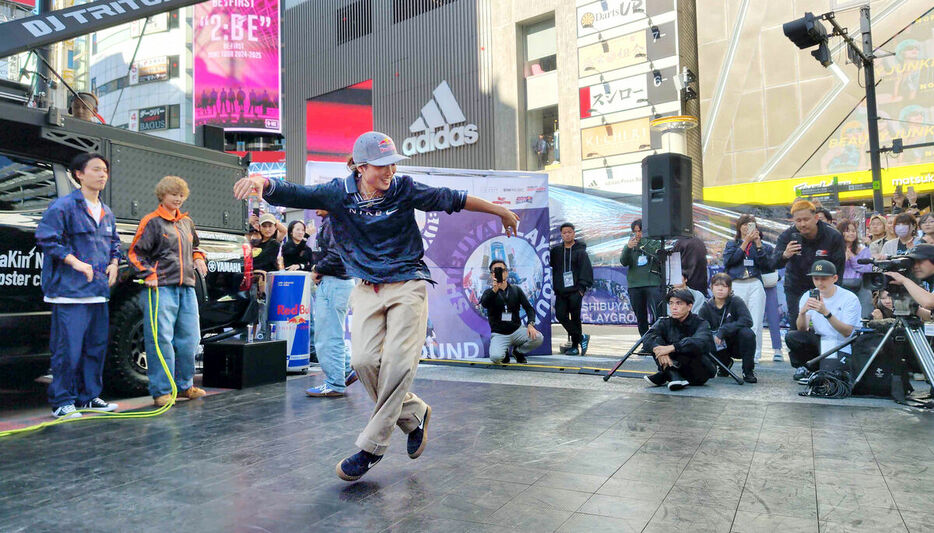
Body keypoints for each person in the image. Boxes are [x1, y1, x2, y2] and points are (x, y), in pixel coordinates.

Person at [232, 131, 519, 482]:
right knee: (364, 361)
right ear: (362, 167)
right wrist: (263, 181)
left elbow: (453, 199)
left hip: (408, 283)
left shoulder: (403, 188)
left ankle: (370, 449)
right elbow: (297, 192)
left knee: (398, 365)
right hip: (368, 288)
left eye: (393, 164)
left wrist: (500, 210)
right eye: (382, 166)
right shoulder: (338, 194)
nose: (390, 171)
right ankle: (414, 414)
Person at [35, 153, 121, 419]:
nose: (102, 174)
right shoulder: (64, 206)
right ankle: (62, 401)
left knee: (95, 348)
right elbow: (47, 239)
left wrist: (115, 263)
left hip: (97, 293)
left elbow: (114, 244)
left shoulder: (106, 212)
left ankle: (89, 396)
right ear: (79, 175)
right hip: (69, 293)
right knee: (67, 350)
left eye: (105, 170)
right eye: (96, 169)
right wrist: (75, 263)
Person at [129, 176, 209, 406]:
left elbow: (195, 247)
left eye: (181, 195)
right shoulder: (151, 221)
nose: (178, 199)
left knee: (190, 338)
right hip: (161, 288)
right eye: (174, 194)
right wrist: (149, 274)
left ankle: (184, 386)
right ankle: (161, 390)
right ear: (162, 195)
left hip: (187, 288)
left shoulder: (186, 222)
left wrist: (198, 256)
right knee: (160, 339)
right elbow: (135, 254)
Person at [305, 210, 357, 398]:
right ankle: (344, 371)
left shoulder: (334, 222)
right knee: (333, 332)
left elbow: (337, 255)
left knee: (327, 335)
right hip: (339, 283)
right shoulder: (336, 220)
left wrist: (317, 269)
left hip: (335, 282)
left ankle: (335, 383)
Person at [771, 199, 845, 330]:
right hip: (796, 287)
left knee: (824, 326)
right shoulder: (787, 236)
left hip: (824, 287)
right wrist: (785, 255)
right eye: (798, 221)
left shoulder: (833, 236)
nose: (802, 224)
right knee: (799, 327)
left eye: (806, 219)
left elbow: (839, 269)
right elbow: (773, 263)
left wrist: (834, 292)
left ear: (816, 218)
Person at [785, 260, 861, 383]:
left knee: (831, 377)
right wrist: (802, 313)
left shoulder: (849, 298)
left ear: (834, 278)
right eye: (816, 279)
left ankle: (824, 368)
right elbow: (802, 329)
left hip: (844, 343)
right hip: (821, 340)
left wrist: (826, 313)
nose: (819, 283)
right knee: (793, 336)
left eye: (824, 279)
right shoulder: (809, 295)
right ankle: (806, 368)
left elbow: (847, 332)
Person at [643, 289, 716, 391]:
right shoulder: (665, 322)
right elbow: (647, 338)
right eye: (671, 303)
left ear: (689, 306)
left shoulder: (700, 323)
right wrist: (658, 350)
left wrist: (673, 347)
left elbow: (700, 342)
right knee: (657, 343)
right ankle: (672, 374)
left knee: (686, 346)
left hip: (698, 371)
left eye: (679, 303)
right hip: (675, 364)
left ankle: (666, 374)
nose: (674, 307)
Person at [723, 215, 772, 362]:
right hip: (737, 283)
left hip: (755, 283)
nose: (746, 227)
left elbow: (766, 265)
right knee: (736, 319)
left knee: (756, 320)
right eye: (744, 224)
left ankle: (754, 354)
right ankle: (735, 351)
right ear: (739, 227)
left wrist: (757, 244)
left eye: (751, 225)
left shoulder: (763, 246)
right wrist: (745, 243)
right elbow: (729, 261)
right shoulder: (731, 244)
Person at [698, 273, 758, 383]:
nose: (720, 289)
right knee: (703, 341)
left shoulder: (736, 301)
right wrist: (713, 335)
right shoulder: (706, 306)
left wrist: (724, 330)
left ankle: (748, 371)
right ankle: (724, 364)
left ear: (729, 289)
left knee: (748, 333)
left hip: (736, 343)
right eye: (716, 286)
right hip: (717, 345)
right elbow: (700, 328)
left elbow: (747, 320)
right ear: (711, 287)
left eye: (724, 286)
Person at [480, 260, 542, 364]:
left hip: (517, 330)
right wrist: (495, 289)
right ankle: (503, 352)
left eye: (502, 270)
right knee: (496, 358)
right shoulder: (488, 292)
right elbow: (485, 304)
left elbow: (529, 308)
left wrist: (531, 324)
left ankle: (517, 352)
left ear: (507, 272)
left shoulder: (516, 290)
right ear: (491, 274)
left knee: (538, 337)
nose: (499, 273)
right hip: (499, 334)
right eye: (495, 271)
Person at [549, 223, 593, 355]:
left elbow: (586, 270)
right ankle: (581, 337)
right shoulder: (556, 252)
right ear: (561, 235)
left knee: (575, 318)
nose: (567, 234)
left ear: (574, 233)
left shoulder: (581, 252)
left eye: (569, 232)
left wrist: (581, 289)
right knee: (560, 315)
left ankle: (575, 346)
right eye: (564, 232)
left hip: (575, 291)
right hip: (561, 291)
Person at [620, 218, 663, 336]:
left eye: (641, 231)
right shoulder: (630, 245)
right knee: (640, 316)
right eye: (635, 231)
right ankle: (645, 341)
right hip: (635, 285)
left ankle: (657, 339)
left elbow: (659, 256)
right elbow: (624, 262)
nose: (638, 234)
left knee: (657, 314)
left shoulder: (654, 243)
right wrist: (627, 248)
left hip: (652, 284)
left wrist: (644, 243)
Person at [837, 219, 873, 317]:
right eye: (848, 231)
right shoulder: (835, 249)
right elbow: (834, 268)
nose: (851, 233)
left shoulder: (864, 249)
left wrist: (853, 258)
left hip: (860, 284)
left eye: (853, 231)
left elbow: (868, 269)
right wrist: (843, 259)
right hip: (841, 284)